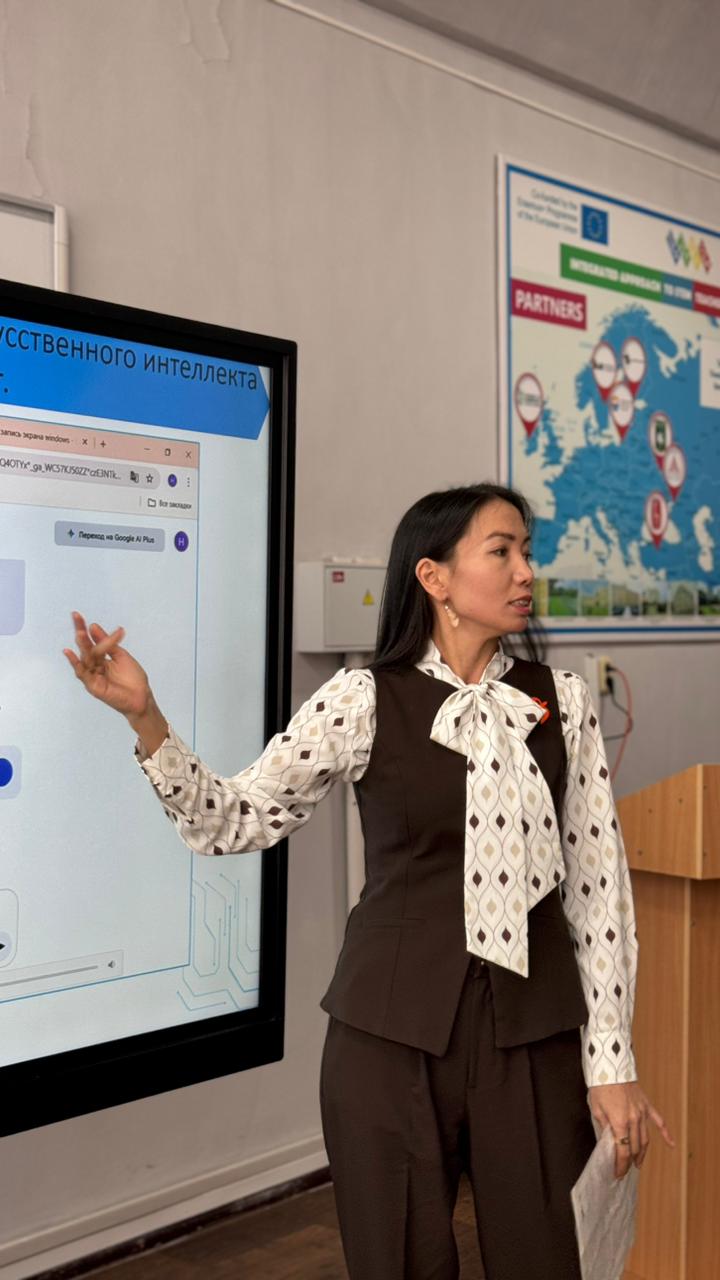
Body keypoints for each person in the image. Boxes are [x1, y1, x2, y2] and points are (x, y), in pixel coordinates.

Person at [65, 483, 672, 1280]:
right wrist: (146, 718)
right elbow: (233, 821)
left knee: (549, 1259)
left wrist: (613, 1063)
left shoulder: (564, 702)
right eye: (502, 551)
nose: (526, 570)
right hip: (389, 1038)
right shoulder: (362, 700)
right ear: (434, 576)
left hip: (534, 1035)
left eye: (527, 551)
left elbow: (597, 892)